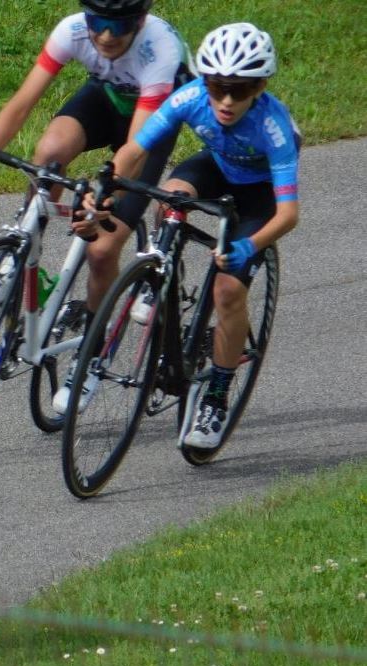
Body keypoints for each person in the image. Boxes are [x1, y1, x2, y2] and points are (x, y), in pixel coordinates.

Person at [0, 0, 193, 412]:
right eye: (99, 23)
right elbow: (23, 102)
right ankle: (25, 250)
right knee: (50, 151)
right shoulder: (71, 30)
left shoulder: (159, 50)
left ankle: (92, 358)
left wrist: (103, 198)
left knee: (101, 248)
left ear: (141, 21)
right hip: (107, 98)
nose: (108, 36)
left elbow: (134, 147)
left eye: (120, 26)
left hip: (149, 125)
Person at [93, 22, 300, 447]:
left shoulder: (273, 127)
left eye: (239, 90)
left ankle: (217, 399)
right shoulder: (189, 98)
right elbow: (136, 150)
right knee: (169, 194)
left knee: (227, 292)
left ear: (259, 86)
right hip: (217, 167)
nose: (226, 100)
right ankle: (165, 264)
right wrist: (107, 186)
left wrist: (249, 245)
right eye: (217, 86)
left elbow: (288, 214)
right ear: (204, 80)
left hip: (258, 196)